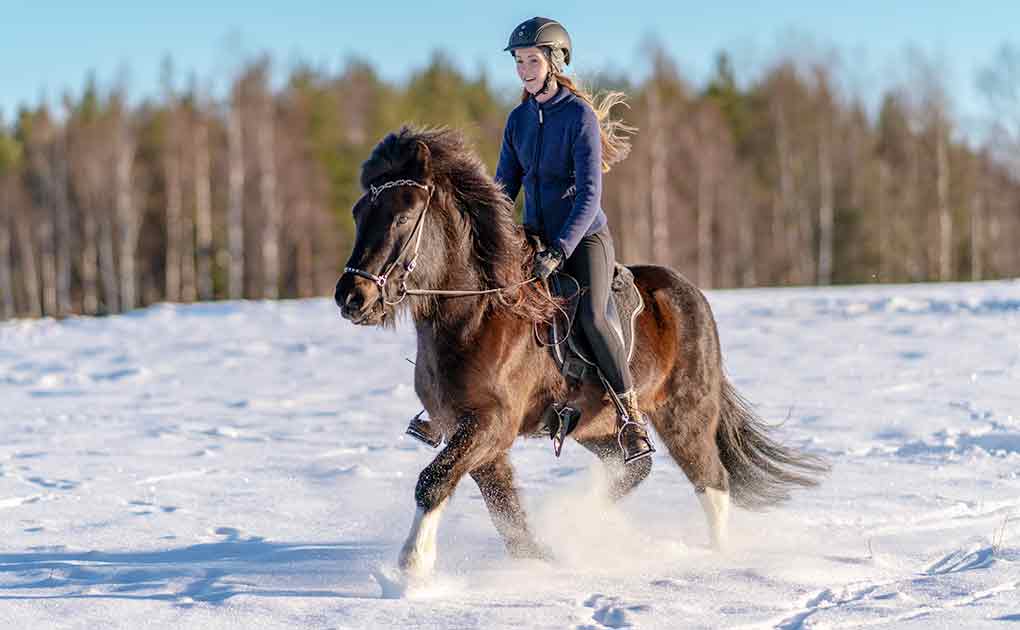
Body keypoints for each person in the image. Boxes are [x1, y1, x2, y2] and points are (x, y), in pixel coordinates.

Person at [498, 17, 654, 463]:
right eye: (519, 61)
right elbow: (503, 188)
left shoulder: (578, 116)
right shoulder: (518, 120)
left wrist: (560, 250)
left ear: (554, 62)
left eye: (532, 60)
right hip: (533, 239)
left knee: (591, 316)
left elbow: (589, 196)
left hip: (583, 239)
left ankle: (629, 416)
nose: (525, 69)